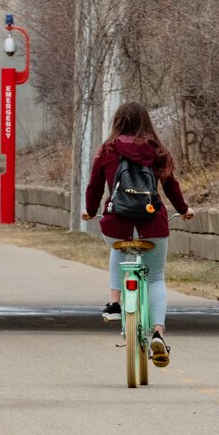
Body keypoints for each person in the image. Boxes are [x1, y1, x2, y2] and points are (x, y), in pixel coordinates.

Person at [82, 102, 193, 368]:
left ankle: (114, 303)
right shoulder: (157, 150)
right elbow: (171, 186)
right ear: (146, 122)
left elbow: (94, 187)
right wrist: (185, 209)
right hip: (151, 225)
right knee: (155, 277)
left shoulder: (107, 151)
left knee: (117, 249)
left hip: (117, 224)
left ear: (118, 122)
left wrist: (88, 211)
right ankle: (157, 333)